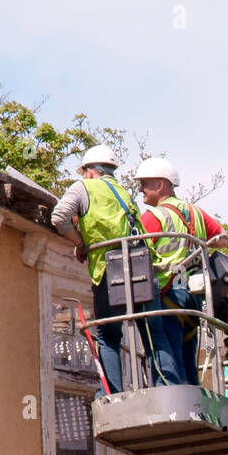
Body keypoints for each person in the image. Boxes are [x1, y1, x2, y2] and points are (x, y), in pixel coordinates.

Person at [51, 145, 184, 394]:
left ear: (90, 172)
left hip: (109, 271)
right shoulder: (124, 194)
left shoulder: (84, 187)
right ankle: (168, 389)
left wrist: (80, 243)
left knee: (109, 335)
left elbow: (58, 218)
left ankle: (111, 394)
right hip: (142, 268)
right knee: (153, 333)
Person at [133, 158, 227, 386]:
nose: (140, 189)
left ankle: (174, 403)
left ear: (160, 186)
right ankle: (193, 403)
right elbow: (222, 240)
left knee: (167, 355)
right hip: (193, 296)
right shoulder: (194, 212)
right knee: (187, 356)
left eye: (144, 183)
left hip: (168, 295)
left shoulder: (153, 217)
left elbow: (136, 251)